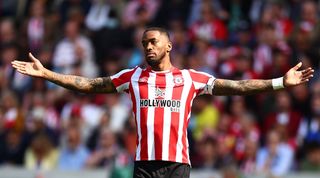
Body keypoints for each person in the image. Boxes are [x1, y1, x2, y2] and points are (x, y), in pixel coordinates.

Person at [11, 27, 314, 178]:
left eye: (153, 41)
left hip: (178, 166)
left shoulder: (190, 78)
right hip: (144, 165)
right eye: (144, 43)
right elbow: (89, 85)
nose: (148, 47)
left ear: (168, 45)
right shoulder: (132, 76)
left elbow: (238, 86)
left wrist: (278, 83)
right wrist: (47, 73)